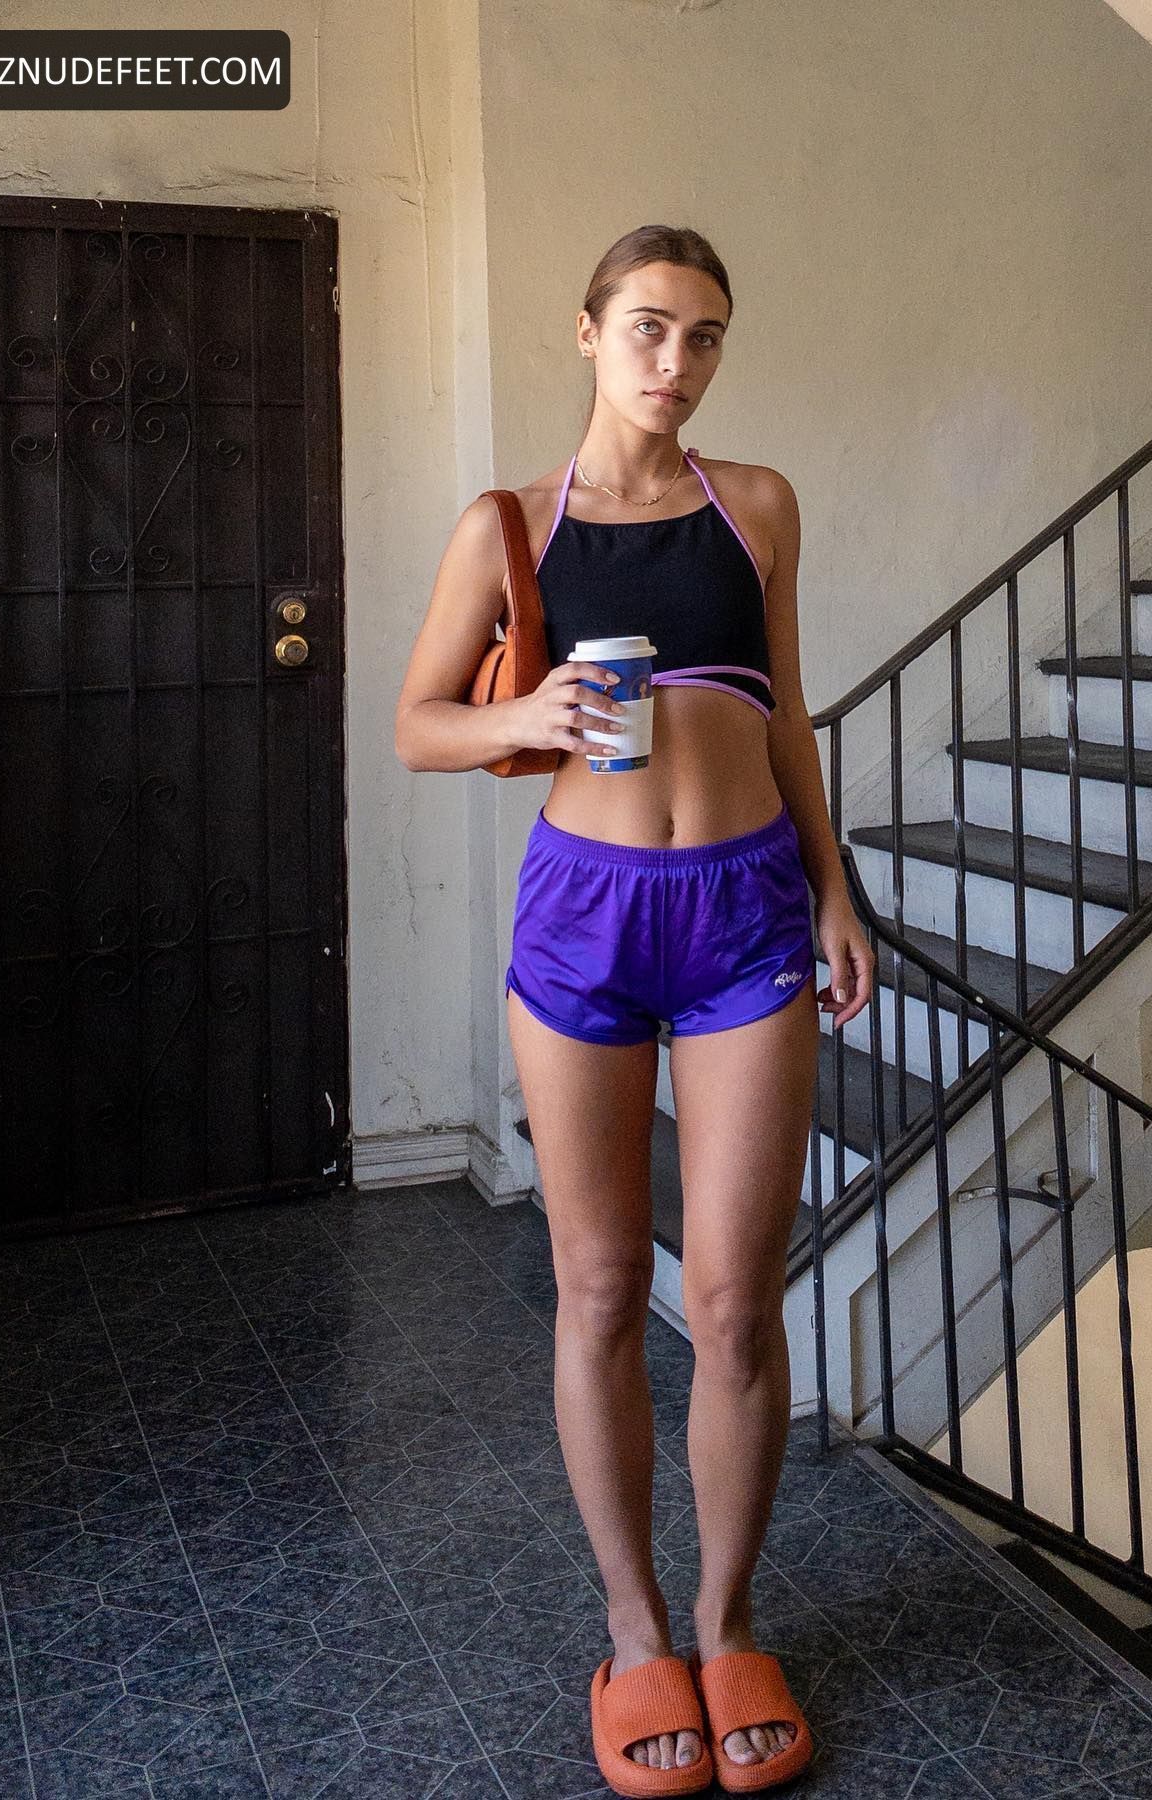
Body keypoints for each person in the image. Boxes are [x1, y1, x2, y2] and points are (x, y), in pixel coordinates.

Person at [395, 224, 872, 1795]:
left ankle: (728, 1626)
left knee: (733, 1304)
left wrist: (834, 890)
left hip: (745, 912)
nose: (679, 362)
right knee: (599, 1287)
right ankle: (634, 1630)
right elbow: (415, 724)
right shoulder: (511, 528)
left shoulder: (759, 508)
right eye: (652, 328)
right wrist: (520, 713)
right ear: (589, 330)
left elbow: (785, 714)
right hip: (585, 918)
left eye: (707, 335)